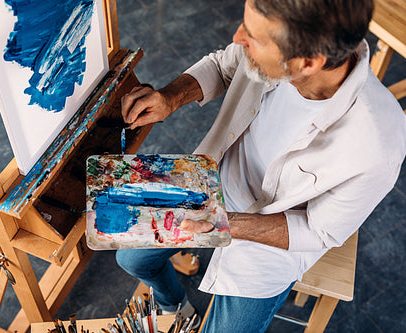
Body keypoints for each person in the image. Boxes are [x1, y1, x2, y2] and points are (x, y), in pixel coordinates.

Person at [116, 0, 406, 331]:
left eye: (253, 37)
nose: (238, 37)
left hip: (271, 245)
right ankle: (175, 304)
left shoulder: (378, 145)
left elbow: (318, 229)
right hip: (212, 175)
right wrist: (170, 97)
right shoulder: (272, 49)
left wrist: (222, 223)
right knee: (131, 258)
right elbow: (225, 65)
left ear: (307, 62)